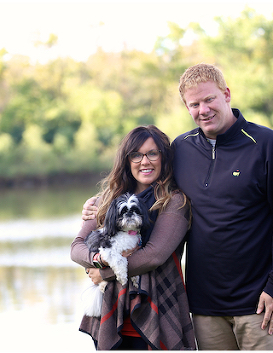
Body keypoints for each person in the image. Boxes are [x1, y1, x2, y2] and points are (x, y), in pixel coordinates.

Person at [83, 63, 273, 350]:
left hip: (259, 302)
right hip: (204, 306)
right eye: (194, 104)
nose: (203, 110)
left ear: (226, 94)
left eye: (209, 99)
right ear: (187, 107)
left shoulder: (265, 144)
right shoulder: (182, 149)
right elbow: (146, 188)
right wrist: (98, 206)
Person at [70, 125, 196, 350]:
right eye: (136, 155)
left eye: (152, 153)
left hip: (158, 309)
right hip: (113, 314)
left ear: (164, 157)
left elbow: (153, 256)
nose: (144, 161)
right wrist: (99, 261)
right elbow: (77, 248)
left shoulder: (174, 201)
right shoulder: (107, 200)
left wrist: (104, 273)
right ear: (126, 160)